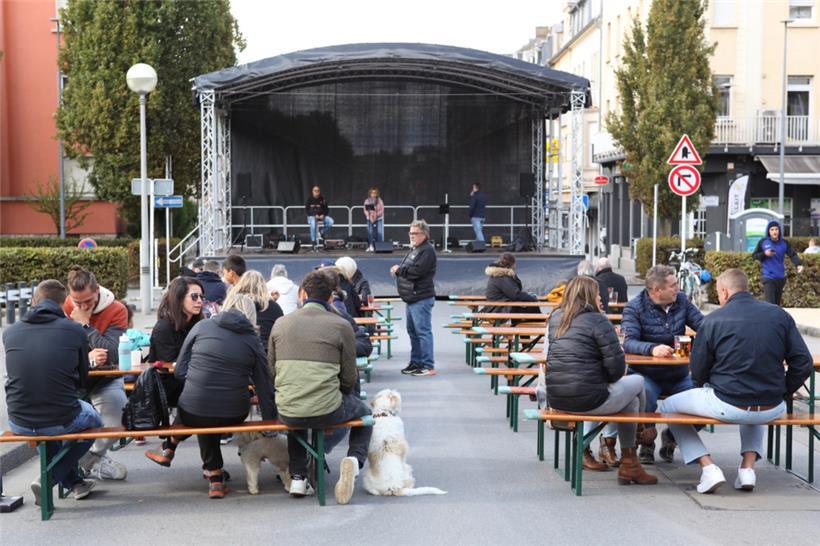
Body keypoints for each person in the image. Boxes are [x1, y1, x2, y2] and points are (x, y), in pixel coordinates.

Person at [659, 269, 812, 494]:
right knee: (754, 394)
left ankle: (708, 468)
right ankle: (747, 469)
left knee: (668, 406)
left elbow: (699, 370)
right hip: (772, 405)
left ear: (724, 292)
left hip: (728, 402)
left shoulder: (714, 320)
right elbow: (803, 362)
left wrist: (707, 387)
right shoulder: (779, 315)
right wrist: (783, 391)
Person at [268, 271, 372, 504]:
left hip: (288, 408)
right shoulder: (341, 325)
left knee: (297, 412)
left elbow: (272, 371)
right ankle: (354, 461)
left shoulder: (281, 323)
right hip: (328, 409)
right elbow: (349, 378)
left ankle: (298, 477)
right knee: (366, 414)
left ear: (302, 294)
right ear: (330, 298)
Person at [545, 276, 656, 484]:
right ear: (590, 296)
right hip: (589, 400)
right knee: (638, 381)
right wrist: (604, 377)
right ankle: (640, 432)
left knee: (631, 402)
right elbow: (617, 370)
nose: (600, 298)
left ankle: (630, 464)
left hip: (558, 399)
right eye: (597, 294)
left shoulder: (556, 318)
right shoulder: (598, 320)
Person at [4, 280, 101, 505]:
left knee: (48, 428)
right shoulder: (74, 330)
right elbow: (83, 379)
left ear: (33, 301)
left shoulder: (10, 332)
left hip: (18, 419)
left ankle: (74, 482)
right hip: (59, 416)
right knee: (94, 420)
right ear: (63, 303)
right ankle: (50, 477)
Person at [173, 293, 277, 499]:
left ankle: (173, 445)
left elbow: (179, 372)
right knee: (211, 407)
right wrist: (269, 425)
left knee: (202, 406)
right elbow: (264, 387)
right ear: (251, 315)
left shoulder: (202, 326)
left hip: (194, 410)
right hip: (235, 412)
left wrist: (200, 380)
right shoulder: (252, 340)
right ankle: (215, 478)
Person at [620, 264, 704, 465]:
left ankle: (672, 436)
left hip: (678, 374)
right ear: (658, 290)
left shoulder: (681, 301)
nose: (678, 288)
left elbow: (704, 326)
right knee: (645, 397)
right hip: (647, 374)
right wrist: (652, 349)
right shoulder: (634, 307)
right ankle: (647, 442)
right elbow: (628, 342)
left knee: (704, 403)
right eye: (673, 285)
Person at [62, 266, 129, 481]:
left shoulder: (116, 309)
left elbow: (112, 352)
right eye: (77, 302)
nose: (82, 307)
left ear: (97, 290)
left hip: (104, 379)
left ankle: (87, 459)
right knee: (61, 423)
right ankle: (77, 469)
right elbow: (60, 349)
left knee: (119, 418)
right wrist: (88, 356)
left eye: (88, 302)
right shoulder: (63, 307)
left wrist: (85, 325)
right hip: (72, 380)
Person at [146, 277, 205, 407]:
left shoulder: (200, 324)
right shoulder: (164, 327)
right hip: (169, 384)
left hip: (192, 378)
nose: (200, 301)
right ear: (179, 298)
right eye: (194, 296)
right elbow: (169, 364)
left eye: (201, 297)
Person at [391, 219, 437, 377]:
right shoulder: (415, 249)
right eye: (410, 233)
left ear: (424, 234)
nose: (411, 236)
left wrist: (399, 270)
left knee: (423, 332)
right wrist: (399, 270)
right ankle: (416, 362)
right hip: (412, 298)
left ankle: (428, 365)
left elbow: (417, 271)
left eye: (415, 233)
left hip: (421, 298)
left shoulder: (427, 251)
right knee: (413, 332)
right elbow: (409, 269)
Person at [227, 270, 283, 350]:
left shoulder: (234, 304)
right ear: (263, 286)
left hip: (237, 348)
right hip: (266, 350)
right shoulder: (274, 307)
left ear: (241, 285)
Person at [752, 220, 804, 306]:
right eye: (772, 229)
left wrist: (798, 264)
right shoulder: (763, 242)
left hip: (780, 277)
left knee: (776, 305)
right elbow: (754, 256)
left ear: (779, 231)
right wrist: (764, 254)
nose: (774, 232)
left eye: (776, 229)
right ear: (768, 231)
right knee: (770, 304)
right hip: (768, 277)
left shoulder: (784, 243)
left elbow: (792, 254)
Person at [363, 186, 385, 252]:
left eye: (375, 193)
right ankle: (371, 245)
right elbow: (366, 210)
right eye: (372, 193)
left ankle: (380, 246)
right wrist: (370, 217)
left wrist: (376, 216)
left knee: (379, 232)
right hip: (370, 218)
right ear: (370, 193)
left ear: (377, 194)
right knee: (370, 232)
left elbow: (382, 210)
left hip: (378, 218)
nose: (373, 194)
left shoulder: (379, 200)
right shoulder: (367, 201)